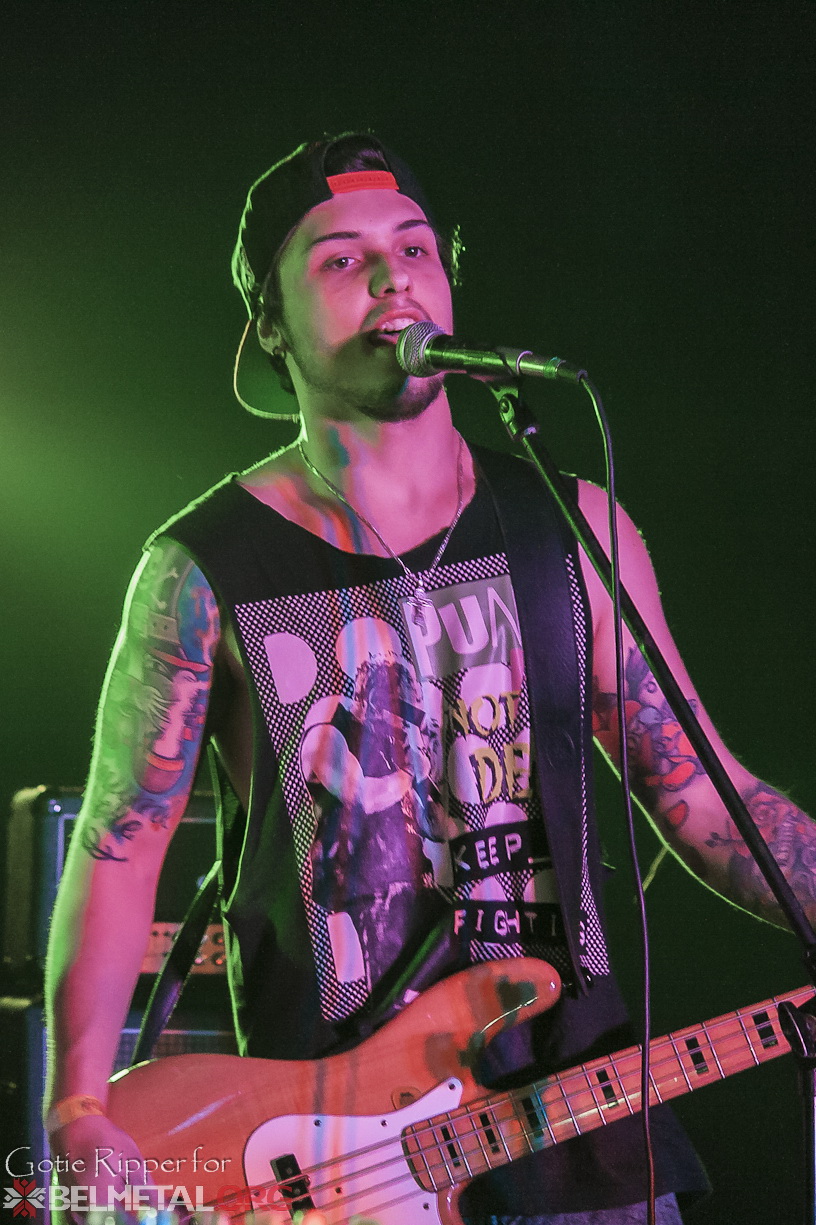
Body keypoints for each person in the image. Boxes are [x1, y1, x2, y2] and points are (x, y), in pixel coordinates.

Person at [43, 132, 816, 1224]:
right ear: (270, 322)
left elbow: (703, 794)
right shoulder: (203, 570)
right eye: (341, 259)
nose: (391, 276)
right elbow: (120, 849)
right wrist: (78, 1101)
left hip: (582, 1131)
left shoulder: (572, 526)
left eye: (413, 247)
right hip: (327, 1156)